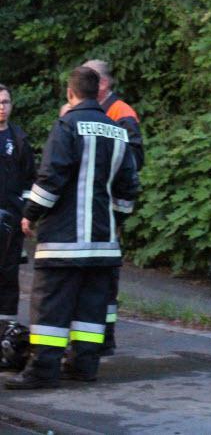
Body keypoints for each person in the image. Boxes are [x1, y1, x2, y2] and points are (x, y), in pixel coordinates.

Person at [5, 67, 139, 389]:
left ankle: (43, 370)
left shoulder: (67, 125)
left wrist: (30, 214)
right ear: (98, 92)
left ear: (70, 92)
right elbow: (128, 188)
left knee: (51, 306)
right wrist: (115, 221)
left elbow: (51, 178)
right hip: (103, 243)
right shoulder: (117, 131)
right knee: (91, 308)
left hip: (63, 241)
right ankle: (83, 366)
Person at [82, 59, 144, 355]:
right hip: (92, 205)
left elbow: (134, 161)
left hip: (107, 206)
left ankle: (104, 336)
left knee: (105, 273)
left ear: (103, 83)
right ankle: (93, 335)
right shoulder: (91, 111)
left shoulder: (121, 112)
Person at [0, 84, 36, 330]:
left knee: (8, 273)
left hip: (11, 219)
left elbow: (30, 180)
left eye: (5, 102)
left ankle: (5, 329)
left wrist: (27, 214)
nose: (1, 107)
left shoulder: (19, 138)